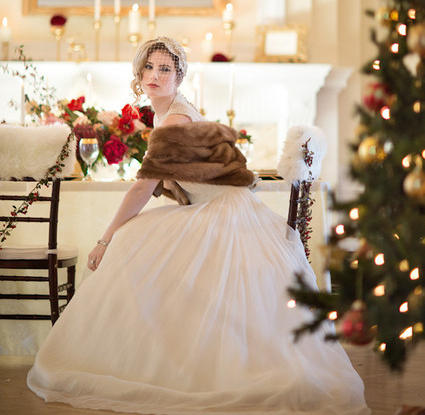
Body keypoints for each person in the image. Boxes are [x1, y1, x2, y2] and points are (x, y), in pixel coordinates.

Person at [28, 36, 370, 414]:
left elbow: (143, 187)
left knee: (128, 240)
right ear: (138, 72)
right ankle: (162, 360)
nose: (155, 75)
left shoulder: (175, 119)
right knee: (141, 242)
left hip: (223, 214)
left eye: (165, 69)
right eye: (149, 67)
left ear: (179, 77)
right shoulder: (165, 113)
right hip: (214, 208)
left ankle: (161, 363)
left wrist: (104, 239)